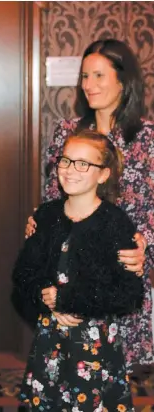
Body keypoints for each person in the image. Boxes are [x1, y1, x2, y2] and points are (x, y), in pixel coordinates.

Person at [27, 38, 154, 368]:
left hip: (123, 267)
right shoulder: (67, 131)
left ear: (123, 81)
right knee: (71, 364)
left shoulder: (148, 139)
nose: (89, 85)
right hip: (74, 267)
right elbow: (54, 197)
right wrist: (40, 224)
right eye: (84, 76)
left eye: (99, 75)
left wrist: (143, 243)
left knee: (113, 367)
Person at [14, 130, 144, 411]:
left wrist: (67, 300)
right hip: (50, 341)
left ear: (103, 174)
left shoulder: (115, 224)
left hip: (95, 347)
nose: (71, 170)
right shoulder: (45, 216)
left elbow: (130, 292)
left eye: (83, 164)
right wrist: (44, 296)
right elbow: (23, 275)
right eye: (66, 161)